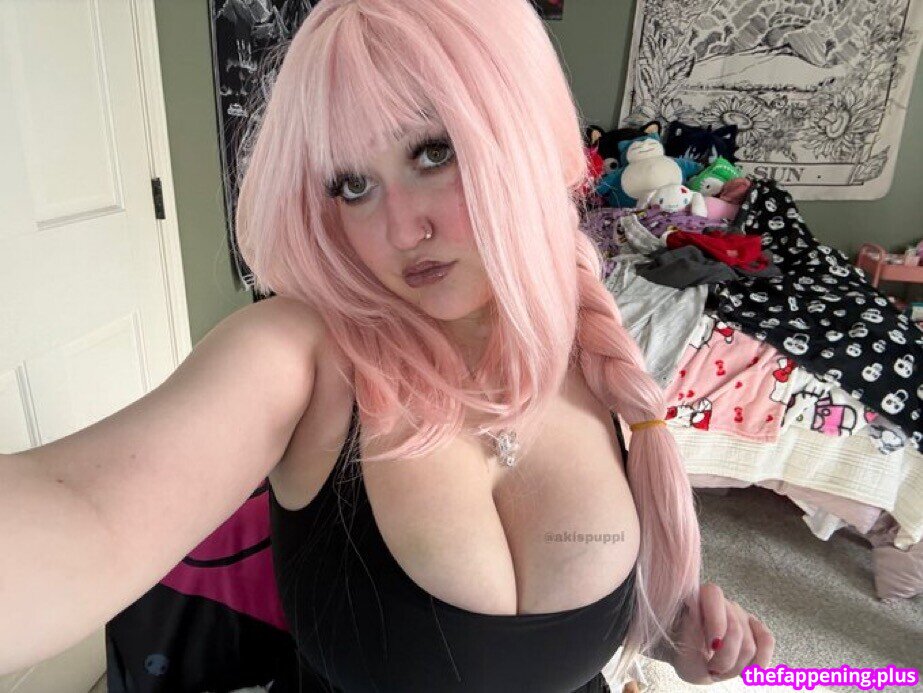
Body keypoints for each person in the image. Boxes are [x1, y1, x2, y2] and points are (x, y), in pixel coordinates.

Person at [0, 0, 774, 690]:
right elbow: (84, 513)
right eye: (351, 184)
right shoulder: (301, 354)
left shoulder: (594, 350)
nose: (400, 231)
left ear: (522, 135)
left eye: (432, 152)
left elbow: (579, 632)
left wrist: (674, 639)